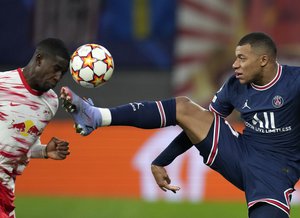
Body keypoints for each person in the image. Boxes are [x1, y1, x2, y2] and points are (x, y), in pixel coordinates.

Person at [60, 32, 299, 218]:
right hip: (239, 154)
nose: (235, 64)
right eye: (236, 57)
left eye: (242, 58)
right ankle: (96, 116)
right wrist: (162, 160)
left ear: (264, 59)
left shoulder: (294, 82)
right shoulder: (234, 86)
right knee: (185, 107)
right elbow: (195, 127)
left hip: (275, 172)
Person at [0, 38, 71, 218]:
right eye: (56, 69)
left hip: (6, 189)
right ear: (39, 59)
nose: (57, 77)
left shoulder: (51, 103)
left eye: (62, 73)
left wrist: (45, 151)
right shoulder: (3, 84)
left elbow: (22, 143)